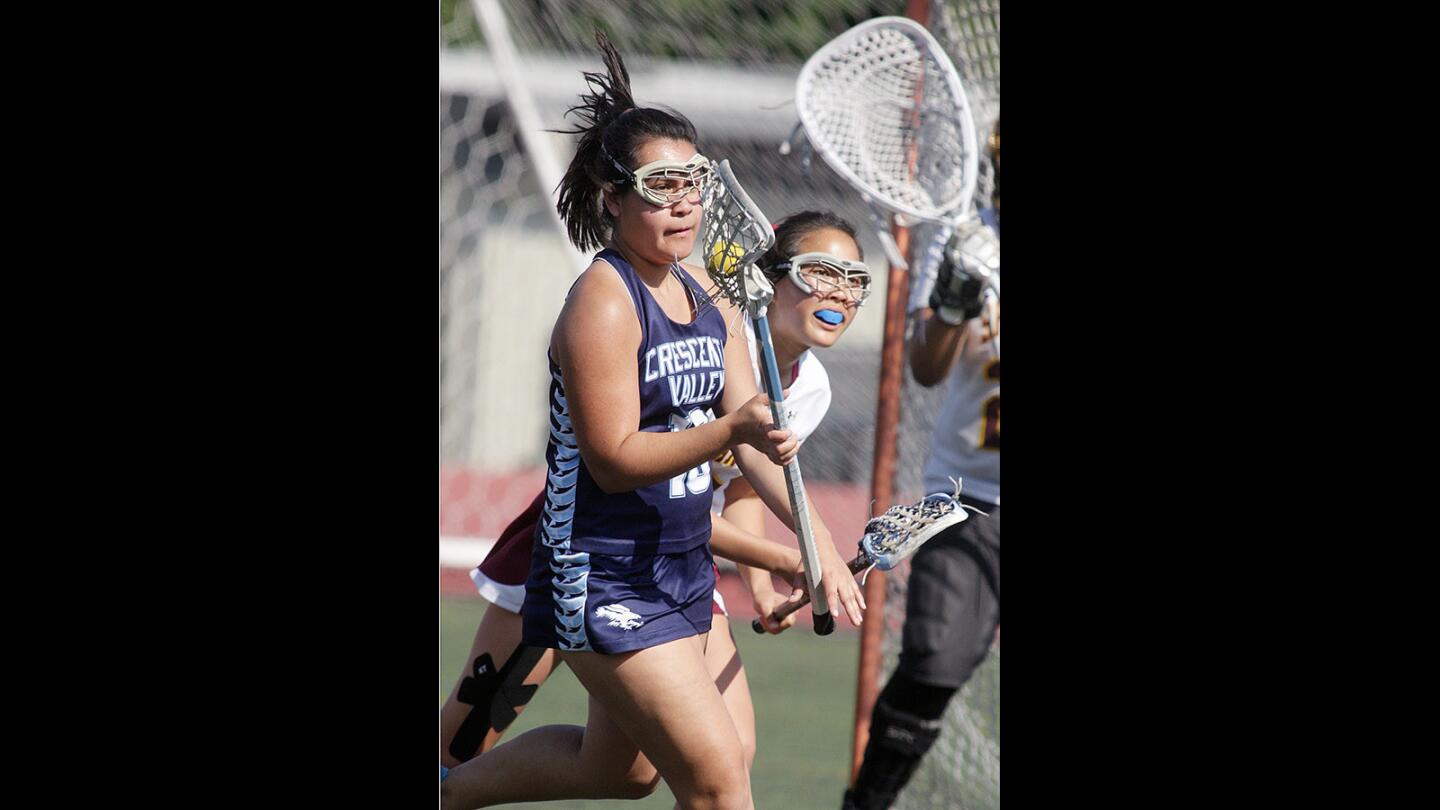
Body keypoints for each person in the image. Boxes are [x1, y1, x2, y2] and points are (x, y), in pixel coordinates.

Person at [440, 31, 864, 810]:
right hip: (598, 571)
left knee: (623, 774)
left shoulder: (707, 296)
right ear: (613, 194)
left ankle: (451, 794)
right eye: (662, 185)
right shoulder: (603, 302)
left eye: (694, 183)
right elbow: (615, 459)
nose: (684, 203)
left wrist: (818, 543)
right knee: (718, 781)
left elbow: (752, 424)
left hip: (678, 570)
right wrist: (732, 433)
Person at [842, 117, 1000, 810]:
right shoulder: (971, 241)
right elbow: (928, 369)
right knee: (935, 659)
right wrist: (952, 307)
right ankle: (868, 802)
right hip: (972, 496)